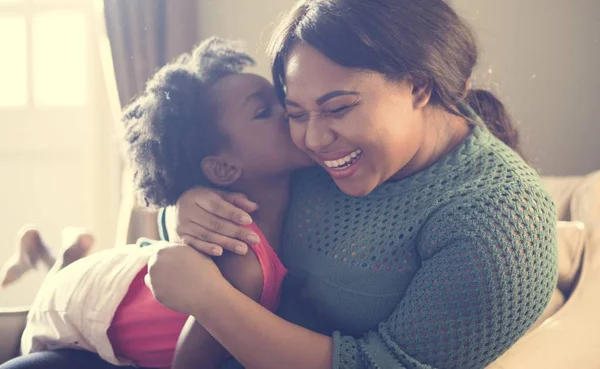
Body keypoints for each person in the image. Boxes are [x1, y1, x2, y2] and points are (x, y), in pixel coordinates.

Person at [145, 1, 559, 368]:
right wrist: (186, 206)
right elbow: (231, 180)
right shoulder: (310, 155)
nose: (313, 139)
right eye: (295, 112)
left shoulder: (498, 225)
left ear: (418, 86)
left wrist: (210, 300)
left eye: (338, 107)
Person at [0, 37, 311, 369]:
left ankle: (56, 252)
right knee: (24, 339)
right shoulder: (242, 265)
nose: (289, 110)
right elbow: (186, 364)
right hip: (90, 305)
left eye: (280, 99)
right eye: (264, 112)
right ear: (223, 168)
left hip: (128, 279)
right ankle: (59, 256)